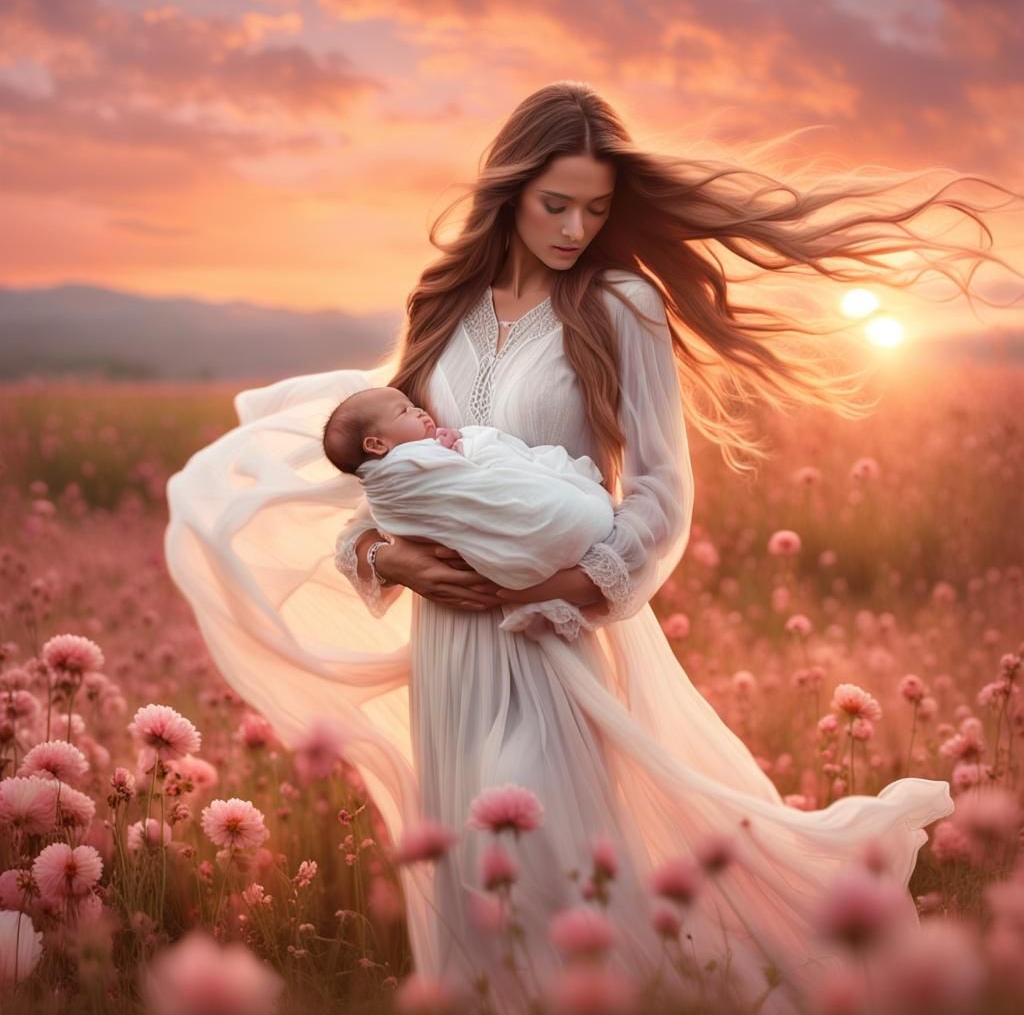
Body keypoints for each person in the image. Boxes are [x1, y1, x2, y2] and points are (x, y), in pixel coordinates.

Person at [165, 81, 1019, 1014]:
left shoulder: (622, 304)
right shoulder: (440, 306)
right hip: (449, 649)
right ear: (510, 192)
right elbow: (390, 476)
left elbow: (659, 492)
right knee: (483, 896)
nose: (577, 227)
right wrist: (381, 558)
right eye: (556, 204)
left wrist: (576, 586)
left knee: (543, 865)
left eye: (598, 208)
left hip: (557, 631)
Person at [320, 385, 617, 640]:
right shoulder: (398, 472)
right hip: (452, 624)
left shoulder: (413, 458)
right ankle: (573, 518)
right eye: (405, 412)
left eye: (414, 405)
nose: (420, 411)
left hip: (542, 626)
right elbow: (365, 527)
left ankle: (569, 519)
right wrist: (384, 558)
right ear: (376, 444)